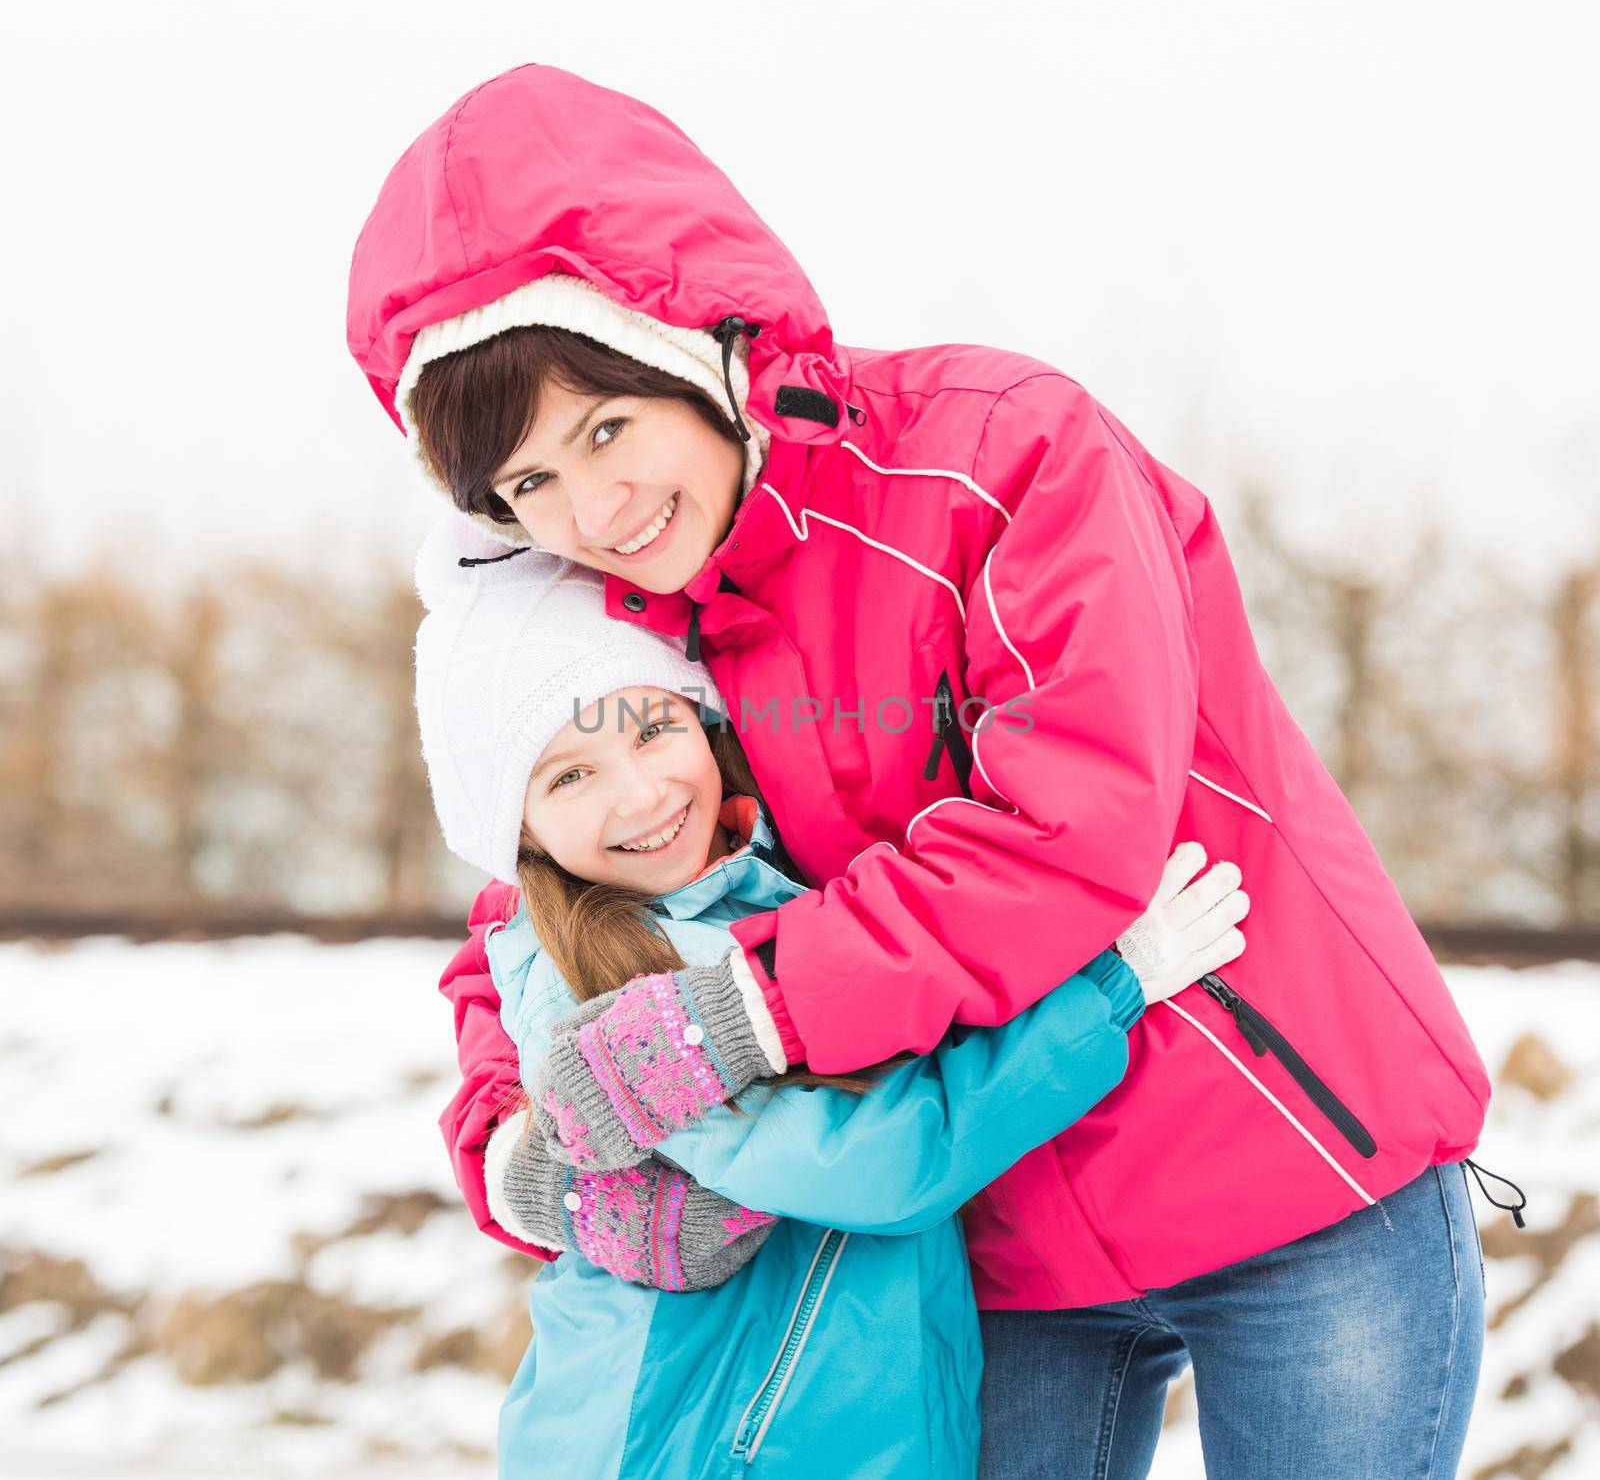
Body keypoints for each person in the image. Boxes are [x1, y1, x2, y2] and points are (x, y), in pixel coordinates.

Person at [348, 63, 1514, 1476]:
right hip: (995, 1236)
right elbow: (527, 903)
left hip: (1291, 1177)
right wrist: (517, 1139)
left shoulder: (1001, 451)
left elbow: (1066, 823)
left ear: (691, 340)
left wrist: (738, 1016)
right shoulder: (631, 623)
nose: (591, 509)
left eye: (605, 427)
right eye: (530, 485)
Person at [409, 513, 1248, 1477]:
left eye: (653, 727)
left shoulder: (769, 891)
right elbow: (883, 1160)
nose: (639, 795)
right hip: (695, 1444)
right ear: (517, 832)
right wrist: (1111, 989)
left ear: (704, 720)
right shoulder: (606, 983)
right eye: (569, 777)